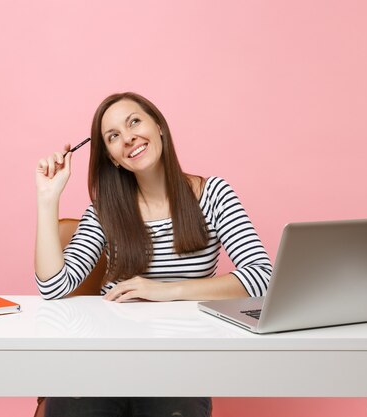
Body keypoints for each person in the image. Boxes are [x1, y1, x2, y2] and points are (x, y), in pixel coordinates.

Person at [34, 92, 272, 417]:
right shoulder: (106, 209)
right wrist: (48, 199)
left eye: (134, 122)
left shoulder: (213, 194)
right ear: (114, 158)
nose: (128, 137)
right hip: (103, 361)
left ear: (158, 126)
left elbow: (263, 277)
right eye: (113, 136)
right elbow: (54, 286)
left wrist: (165, 291)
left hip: (179, 366)